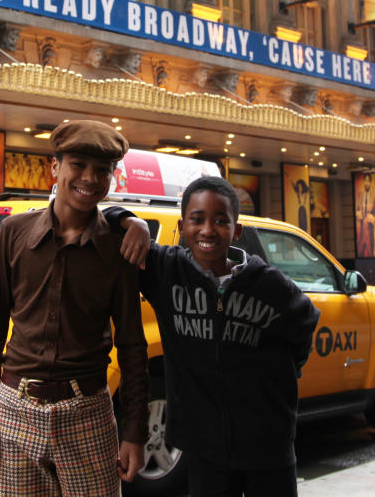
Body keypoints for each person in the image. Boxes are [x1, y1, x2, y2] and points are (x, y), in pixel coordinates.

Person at [0, 120, 149, 497]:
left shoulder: (119, 249)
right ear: (55, 167)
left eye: (102, 170)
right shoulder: (14, 233)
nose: (90, 178)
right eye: (78, 165)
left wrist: (135, 431)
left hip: (89, 414)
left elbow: (132, 345)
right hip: (16, 409)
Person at [111, 176, 320, 497]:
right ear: (182, 226)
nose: (208, 229)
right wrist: (131, 220)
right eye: (197, 219)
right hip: (204, 449)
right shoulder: (166, 272)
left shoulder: (271, 285)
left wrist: (278, 382)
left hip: (268, 447)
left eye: (221, 221)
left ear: (236, 230)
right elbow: (101, 223)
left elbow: (304, 326)